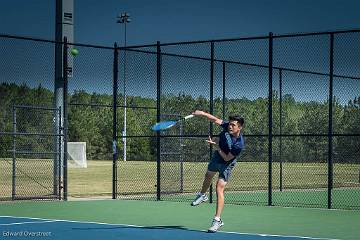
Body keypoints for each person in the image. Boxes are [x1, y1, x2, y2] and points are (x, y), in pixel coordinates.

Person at [190, 110, 245, 233]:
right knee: (208, 175)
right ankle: (202, 195)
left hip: (228, 162)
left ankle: (217, 220)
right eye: (229, 124)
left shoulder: (239, 145)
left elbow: (226, 158)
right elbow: (215, 119)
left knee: (219, 187)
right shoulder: (226, 126)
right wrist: (202, 114)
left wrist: (216, 145)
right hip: (218, 155)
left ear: (240, 127)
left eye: (233, 125)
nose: (230, 126)